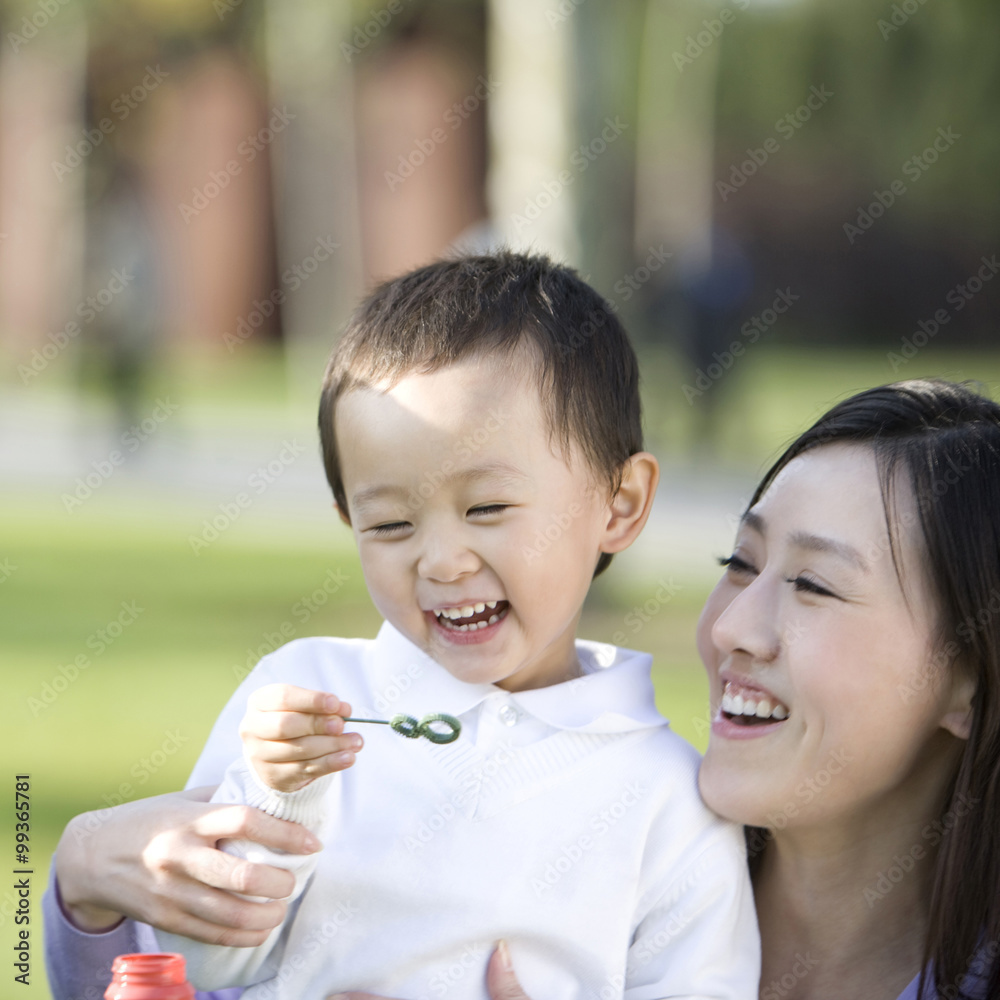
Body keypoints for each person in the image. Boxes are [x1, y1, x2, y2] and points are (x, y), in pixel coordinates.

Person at [44, 251, 759, 999]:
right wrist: (278, 796)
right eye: (389, 524)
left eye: (487, 508)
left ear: (619, 504)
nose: (442, 561)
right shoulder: (306, 704)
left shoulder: (670, 798)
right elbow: (206, 964)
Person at [439, 378, 1000, 1000]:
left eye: (814, 585)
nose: (731, 627)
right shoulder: (564, 880)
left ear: (971, 685)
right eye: (740, 565)